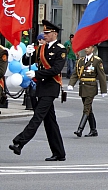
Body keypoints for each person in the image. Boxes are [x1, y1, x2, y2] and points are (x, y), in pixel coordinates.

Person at [10, 20, 67, 161]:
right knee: (50, 122)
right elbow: (24, 63)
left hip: (51, 88)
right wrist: (28, 55)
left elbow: (56, 70)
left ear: (55, 34)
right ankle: (59, 153)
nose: (45, 35)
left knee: (37, 117)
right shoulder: (41, 49)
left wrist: (37, 74)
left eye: (47, 33)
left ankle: (19, 142)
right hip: (41, 89)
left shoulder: (60, 49)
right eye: (44, 33)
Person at [67, 44, 107, 137]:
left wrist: (103, 90)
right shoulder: (81, 61)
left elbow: (102, 76)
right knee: (89, 109)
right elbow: (75, 74)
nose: (86, 49)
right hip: (83, 87)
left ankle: (80, 129)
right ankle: (93, 130)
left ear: (92, 49)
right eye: (85, 47)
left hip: (91, 88)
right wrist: (71, 84)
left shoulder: (97, 61)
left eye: (88, 47)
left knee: (86, 108)